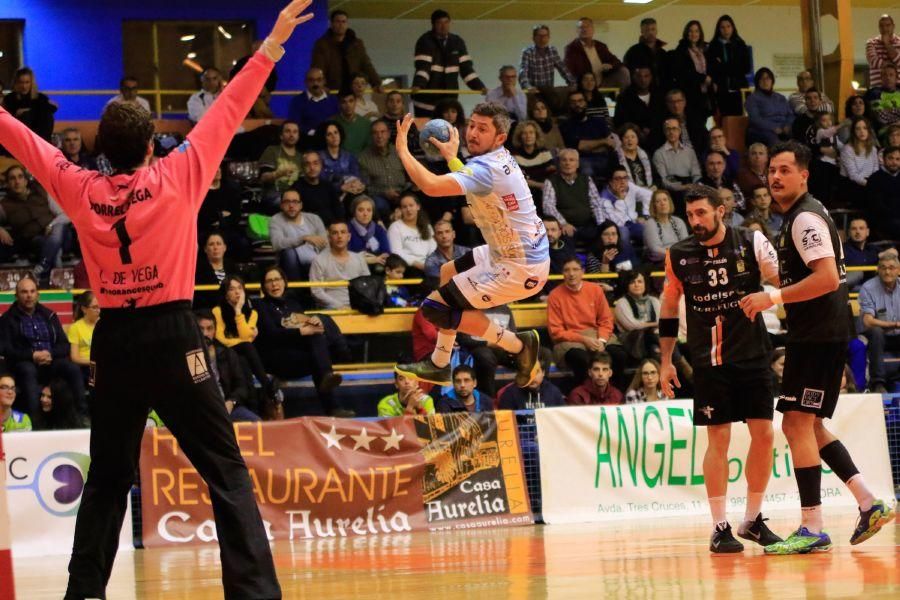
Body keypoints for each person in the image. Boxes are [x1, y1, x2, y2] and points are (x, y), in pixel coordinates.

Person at [0, 3, 314, 596]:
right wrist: (271, 42)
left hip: (115, 339)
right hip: (173, 337)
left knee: (108, 478)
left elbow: (21, 138)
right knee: (225, 472)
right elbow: (231, 106)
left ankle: (84, 591)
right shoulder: (180, 173)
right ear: (151, 144)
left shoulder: (76, 184)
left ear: (106, 150)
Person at [739, 140, 894, 554]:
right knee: (809, 425)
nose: (774, 177)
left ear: (803, 174)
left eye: (784, 170)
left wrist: (771, 298)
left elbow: (826, 279)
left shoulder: (805, 217)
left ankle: (813, 526)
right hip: (820, 333)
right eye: (771, 170)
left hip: (819, 334)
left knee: (794, 424)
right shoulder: (800, 214)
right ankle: (868, 502)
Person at [659, 183, 783, 553]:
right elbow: (668, 308)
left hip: (754, 353)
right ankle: (719, 526)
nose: (695, 221)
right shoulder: (678, 255)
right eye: (690, 214)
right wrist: (666, 360)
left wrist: (774, 298)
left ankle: (754, 519)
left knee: (764, 435)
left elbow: (785, 285)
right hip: (710, 359)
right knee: (719, 440)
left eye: (701, 213)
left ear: (720, 211)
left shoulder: (752, 242)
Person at [392, 103, 548, 387]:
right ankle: (440, 365)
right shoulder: (493, 160)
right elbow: (476, 184)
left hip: (521, 267)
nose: (472, 133)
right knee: (447, 272)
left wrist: (403, 151)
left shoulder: (487, 168)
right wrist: (453, 158)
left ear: (499, 138)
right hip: (509, 249)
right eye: (472, 125)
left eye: (482, 129)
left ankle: (519, 346)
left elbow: (430, 186)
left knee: (436, 309)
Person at [256, 266, 350, 418]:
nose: (274, 284)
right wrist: (301, 331)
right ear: (264, 286)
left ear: (284, 282)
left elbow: (304, 327)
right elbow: (271, 335)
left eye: (277, 279)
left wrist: (311, 323)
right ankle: (333, 404)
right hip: (275, 358)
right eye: (269, 281)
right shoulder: (260, 306)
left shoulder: (293, 304)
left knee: (318, 329)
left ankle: (333, 404)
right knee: (319, 358)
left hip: (296, 356)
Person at [0, 274, 85, 417]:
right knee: (28, 371)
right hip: (24, 363)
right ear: (16, 295)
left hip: (51, 360)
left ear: (37, 294)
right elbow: (6, 350)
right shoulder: (7, 319)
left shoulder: (50, 315)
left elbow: (64, 345)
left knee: (73, 369)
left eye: (32, 291)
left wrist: (50, 354)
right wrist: (32, 355)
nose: (29, 296)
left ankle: (81, 416)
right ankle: (36, 421)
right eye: (24, 292)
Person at [547, 256, 626, 388]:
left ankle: (614, 394)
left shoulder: (595, 289)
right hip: (570, 340)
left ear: (582, 271)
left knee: (619, 355)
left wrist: (602, 340)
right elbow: (556, 332)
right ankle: (585, 396)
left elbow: (606, 320)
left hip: (596, 335)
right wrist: (584, 340)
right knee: (581, 359)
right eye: (567, 270)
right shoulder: (555, 295)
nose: (571, 274)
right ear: (562, 273)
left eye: (575, 269)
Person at [212, 275, 281, 415]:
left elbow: (244, 337)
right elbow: (221, 339)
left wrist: (238, 311)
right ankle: (268, 387)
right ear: (225, 294)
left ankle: (253, 409)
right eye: (232, 289)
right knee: (246, 347)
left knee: (243, 361)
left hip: (242, 355)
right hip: (224, 352)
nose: (237, 292)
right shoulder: (217, 311)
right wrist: (244, 340)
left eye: (240, 288)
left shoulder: (253, 313)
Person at [1, 164, 74, 282]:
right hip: (36, 242)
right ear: (8, 183)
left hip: (62, 235)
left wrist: (51, 225)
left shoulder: (42, 192)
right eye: (12, 178)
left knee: (59, 228)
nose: (17, 181)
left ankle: (42, 267)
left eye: (20, 177)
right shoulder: (5, 205)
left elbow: (65, 214)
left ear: (25, 180)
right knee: (53, 248)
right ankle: (52, 276)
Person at [411, 9, 486, 117]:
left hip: (448, 101)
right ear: (433, 24)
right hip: (426, 102)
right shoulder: (425, 41)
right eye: (439, 23)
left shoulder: (457, 42)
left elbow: (466, 69)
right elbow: (423, 67)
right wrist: (418, 85)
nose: (443, 26)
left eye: (446, 22)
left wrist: (479, 86)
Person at [194, 310, 261, 422]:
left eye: (209, 328)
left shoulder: (228, 354)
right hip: (201, 410)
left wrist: (231, 401)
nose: (205, 333)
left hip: (228, 407)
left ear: (214, 331)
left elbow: (241, 387)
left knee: (256, 423)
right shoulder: (188, 356)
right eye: (201, 329)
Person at [541, 148, 603, 244]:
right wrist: (563, 224)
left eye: (571, 160)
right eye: (564, 160)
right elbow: (548, 207)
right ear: (559, 163)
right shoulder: (551, 182)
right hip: (564, 227)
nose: (567, 163)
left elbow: (596, 205)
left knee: (607, 233)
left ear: (577, 164)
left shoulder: (587, 180)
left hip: (587, 225)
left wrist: (601, 225)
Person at [858, 251, 900, 392]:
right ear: (878, 269)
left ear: (898, 270)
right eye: (883, 267)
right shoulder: (868, 288)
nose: (887, 271)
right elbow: (868, 321)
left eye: (891, 267)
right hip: (878, 334)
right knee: (876, 332)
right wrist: (893, 325)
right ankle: (878, 383)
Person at [311, 9, 381, 92]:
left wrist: (376, 83)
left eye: (344, 22)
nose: (341, 25)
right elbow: (318, 67)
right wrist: (320, 86)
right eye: (338, 21)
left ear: (347, 24)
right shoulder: (322, 44)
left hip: (353, 90)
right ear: (332, 24)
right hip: (331, 90)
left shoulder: (357, 44)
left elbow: (366, 64)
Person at [309, 220, 370, 309]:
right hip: (331, 308)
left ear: (348, 237)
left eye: (343, 232)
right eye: (335, 233)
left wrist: (359, 304)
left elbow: (367, 285)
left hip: (357, 307)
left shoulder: (359, 259)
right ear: (329, 238)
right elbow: (316, 291)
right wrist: (339, 306)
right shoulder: (319, 260)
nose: (339, 236)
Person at [269, 188, 327, 281]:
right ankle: (295, 291)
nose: (291, 205)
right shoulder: (276, 220)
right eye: (287, 202)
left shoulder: (314, 219)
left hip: (315, 264)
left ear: (301, 205)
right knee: (289, 252)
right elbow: (277, 244)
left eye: (295, 202)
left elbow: (325, 243)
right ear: (281, 205)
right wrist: (304, 238)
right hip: (290, 265)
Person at [358, 119, 410, 219]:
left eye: (383, 132)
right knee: (379, 204)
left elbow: (409, 176)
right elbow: (365, 187)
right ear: (371, 136)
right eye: (375, 133)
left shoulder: (399, 151)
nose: (379, 136)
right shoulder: (364, 157)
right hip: (380, 196)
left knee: (412, 201)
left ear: (389, 134)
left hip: (402, 192)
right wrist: (384, 192)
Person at [558, 90, 614, 178]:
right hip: (582, 160)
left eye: (580, 101)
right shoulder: (565, 126)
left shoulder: (599, 122)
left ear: (586, 103)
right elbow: (579, 147)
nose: (577, 105)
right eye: (573, 102)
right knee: (586, 169)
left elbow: (610, 143)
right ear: (569, 105)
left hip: (604, 158)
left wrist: (589, 146)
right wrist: (603, 142)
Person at [563, 17, 629, 90]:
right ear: (577, 31)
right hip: (584, 85)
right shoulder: (571, 49)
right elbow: (568, 71)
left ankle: (625, 99)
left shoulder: (601, 46)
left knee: (623, 71)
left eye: (587, 26)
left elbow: (617, 61)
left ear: (593, 29)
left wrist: (610, 65)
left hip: (604, 82)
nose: (584, 29)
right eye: (581, 27)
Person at [706, 15, 752, 116]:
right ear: (718, 29)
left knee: (740, 120)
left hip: (739, 89)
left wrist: (723, 65)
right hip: (722, 91)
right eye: (722, 27)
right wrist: (731, 67)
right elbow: (713, 69)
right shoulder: (713, 46)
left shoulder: (740, 44)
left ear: (733, 27)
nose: (726, 30)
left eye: (728, 26)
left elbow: (746, 67)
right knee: (725, 121)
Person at [668, 20, 713, 123]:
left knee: (703, 122)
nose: (694, 34)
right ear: (686, 33)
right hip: (690, 94)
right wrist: (703, 78)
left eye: (696, 31)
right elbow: (684, 72)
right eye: (691, 31)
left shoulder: (704, 49)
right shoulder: (681, 50)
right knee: (692, 122)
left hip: (704, 95)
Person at [598, 165, 651, 247]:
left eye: (625, 178)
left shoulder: (630, 186)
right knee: (624, 232)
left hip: (634, 223)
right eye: (618, 179)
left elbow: (649, 195)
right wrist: (620, 199)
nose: (623, 182)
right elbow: (618, 223)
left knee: (648, 229)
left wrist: (645, 215)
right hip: (618, 228)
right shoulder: (604, 199)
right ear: (610, 182)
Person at [518, 24, 576, 98]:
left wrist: (572, 83)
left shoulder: (552, 50)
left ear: (549, 37)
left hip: (549, 92)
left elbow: (563, 68)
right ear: (534, 38)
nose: (543, 39)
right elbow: (523, 72)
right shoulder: (527, 52)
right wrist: (527, 86)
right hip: (534, 93)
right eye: (540, 36)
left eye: (545, 36)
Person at [613, 68, 665, 146]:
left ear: (651, 77)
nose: (643, 80)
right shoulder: (624, 98)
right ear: (633, 77)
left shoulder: (659, 96)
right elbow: (620, 122)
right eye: (639, 76)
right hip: (633, 143)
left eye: (646, 76)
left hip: (659, 142)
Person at [1, 67, 56, 141]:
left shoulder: (40, 98)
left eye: (27, 82)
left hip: (38, 132)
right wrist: (16, 115)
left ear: (31, 83)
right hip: (18, 132)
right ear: (16, 83)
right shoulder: (10, 99)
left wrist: (30, 111)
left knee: (46, 115)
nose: (24, 86)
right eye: (21, 82)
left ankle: (41, 143)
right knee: (26, 115)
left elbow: (51, 108)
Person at [292, 149, 345, 227]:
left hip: (332, 231)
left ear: (321, 166)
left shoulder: (328, 186)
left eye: (315, 163)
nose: (312, 167)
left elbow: (338, 211)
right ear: (302, 168)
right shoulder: (296, 189)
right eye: (307, 164)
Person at [387, 193, 435, 274]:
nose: (408, 209)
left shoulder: (427, 226)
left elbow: (433, 249)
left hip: (427, 266)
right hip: (407, 267)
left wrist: (431, 264)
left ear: (418, 207)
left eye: (411, 205)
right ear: (401, 210)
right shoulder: (395, 227)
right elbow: (396, 252)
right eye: (404, 207)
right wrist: (415, 263)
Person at [258, 120, 303, 207]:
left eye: (295, 132)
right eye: (288, 131)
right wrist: (278, 174)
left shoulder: (301, 157)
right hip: (274, 195)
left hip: (295, 196)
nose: (291, 135)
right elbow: (263, 177)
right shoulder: (271, 151)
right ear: (281, 136)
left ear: (298, 136)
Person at [652, 118, 701, 197]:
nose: (671, 132)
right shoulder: (659, 154)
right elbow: (663, 180)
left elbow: (696, 174)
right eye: (668, 129)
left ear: (680, 130)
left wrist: (695, 186)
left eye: (674, 128)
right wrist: (683, 187)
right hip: (671, 194)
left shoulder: (690, 152)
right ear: (664, 132)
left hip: (691, 190)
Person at [745, 67, 794, 147]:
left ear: (772, 81)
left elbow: (790, 115)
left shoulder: (780, 97)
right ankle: (779, 158)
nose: (765, 81)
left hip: (783, 128)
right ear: (757, 82)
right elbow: (755, 119)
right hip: (762, 130)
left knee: (798, 134)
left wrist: (787, 125)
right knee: (772, 138)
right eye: (762, 79)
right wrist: (773, 127)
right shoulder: (752, 98)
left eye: (768, 78)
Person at [511, 120, 556, 206]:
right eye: (524, 133)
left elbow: (552, 174)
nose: (528, 136)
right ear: (520, 137)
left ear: (536, 135)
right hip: (525, 192)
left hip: (544, 191)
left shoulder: (544, 152)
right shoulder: (514, 155)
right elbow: (520, 180)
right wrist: (540, 185)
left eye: (531, 132)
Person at [317, 120, 365, 196]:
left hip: (350, 193)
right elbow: (322, 182)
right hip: (328, 194)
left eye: (336, 132)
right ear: (324, 138)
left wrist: (354, 185)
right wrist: (341, 187)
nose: (334, 136)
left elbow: (356, 176)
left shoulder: (349, 156)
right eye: (329, 134)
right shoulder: (318, 157)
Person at [498, 356, 565, 410]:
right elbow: (505, 423)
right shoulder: (510, 393)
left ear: (543, 373)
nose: (532, 377)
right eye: (527, 372)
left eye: (536, 372)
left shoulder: (554, 392)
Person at [288, 68, 339, 137]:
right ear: (306, 82)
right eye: (311, 80)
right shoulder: (297, 101)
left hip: (330, 140)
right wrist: (315, 133)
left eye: (319, 80)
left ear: (324, 81)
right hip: (307, 141)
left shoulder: (333, 100)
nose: (315, 83)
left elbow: (338, 121)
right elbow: (294, 124)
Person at [643, 189, 689, 264]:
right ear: (654, 206)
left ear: (669, 202)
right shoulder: (650, 223)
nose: (662, 203)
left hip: (680, 259)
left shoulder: (678, 221)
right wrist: (676, 255)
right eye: (658, 201)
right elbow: (655, 250)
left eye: (665, 200)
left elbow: (686, 244)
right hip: (661, 262)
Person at [193, 231, 237, 309]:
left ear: (224, 248)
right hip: (207, 310)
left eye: (218, 244)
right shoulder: (198, 270)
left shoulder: (232, 267)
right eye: (211, 244)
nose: (215, 247)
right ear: (205, 249)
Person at [839, 117, 880, 196]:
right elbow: (853, 175)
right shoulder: (847, 149)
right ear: (853, 132)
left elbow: (876, 169)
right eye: (858, 129)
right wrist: (870, 185)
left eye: (865, 128)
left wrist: (874, 183)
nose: (862, 132)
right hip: (852, 184)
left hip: (869, 182)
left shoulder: (873, 148)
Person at [348, 195, 391, 270]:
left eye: (369, 210)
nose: (365, 214)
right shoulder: (347, 229)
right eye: (361, 210)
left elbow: (386, 252)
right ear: (354, 212)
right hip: (354, 269)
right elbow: (345, 255)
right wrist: (366, 260)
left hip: (377, 268)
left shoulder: (379, 229)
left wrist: (377, 259)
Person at [424, 220, 470, 289]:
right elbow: (441, 286)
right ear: (434, 238)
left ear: (453, 234)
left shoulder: (467, 252)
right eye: (440, 233)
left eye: (447, 231)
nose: (444, 236)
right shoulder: (431, 261)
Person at [623, 18, 669, 86]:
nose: (650, 32)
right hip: (641, 91)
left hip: (661, 91)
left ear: (656, 31)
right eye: (647, 30)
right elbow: (629, 75)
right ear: (642, 31)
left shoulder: (663, 53)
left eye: (653, 29)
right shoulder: (633, 52)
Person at [68, 290, 99, 387]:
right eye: (94, 307)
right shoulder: (76, 327)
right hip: (86, 367)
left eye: (99, 307)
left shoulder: (103, 325)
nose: (98, 311)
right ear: (84, 309)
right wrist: (94, 362)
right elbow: (75, 357)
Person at [869, 146, 900, 239]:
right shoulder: (875, 179)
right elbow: (877, 206)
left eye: (898, 159)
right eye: (890, 158)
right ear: (883, 159)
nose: (894, 162)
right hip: (884, 220)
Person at [616, 123, 656, 189]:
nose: (630, 140)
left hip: (648, 191)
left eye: (633, 137)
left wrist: (654, 186)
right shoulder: (616, 157)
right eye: (626, 137)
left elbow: (656, 176)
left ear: (638, 139)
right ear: (621, 140)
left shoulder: (645, 154)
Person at [866, 14, 900, 89]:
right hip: (877, 88)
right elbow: (873, 61)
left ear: (893, 26)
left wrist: (887, 44)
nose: (884, 28)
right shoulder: (871, 42)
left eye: (888, 25)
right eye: (881, 26)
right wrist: (893, 65)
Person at [333, 89, 371, 155]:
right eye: (343, 102)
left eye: (351, 101)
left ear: (355, 102)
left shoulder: (366, 124)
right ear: (339, 104)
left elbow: (369, 148)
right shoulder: (331, 123)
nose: (348, 105)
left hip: (362, 162)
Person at [865, 63, 900, 133]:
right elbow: (879, 116)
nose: (888, 78)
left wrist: (889, 110)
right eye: (885, 75)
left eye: (891, 75)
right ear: (881, 78)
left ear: (896, 78)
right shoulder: (873, 93)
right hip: (879, 131)